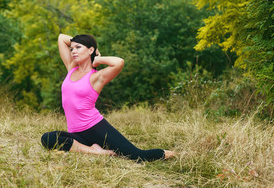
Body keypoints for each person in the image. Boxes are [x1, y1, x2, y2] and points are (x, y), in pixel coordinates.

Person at [41, 34, 175, 161]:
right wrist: (82, 43)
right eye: (72, 48)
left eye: (78, 47)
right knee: (48, 138)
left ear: (90, 50)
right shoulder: (71, 67)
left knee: (138, 156)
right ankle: (96, 151)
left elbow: (119, 62)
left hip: (95, 128)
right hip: (76, 133)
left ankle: (171, 154)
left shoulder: (96, 77)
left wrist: (98, 58)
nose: (73, 51)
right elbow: (61, 38)